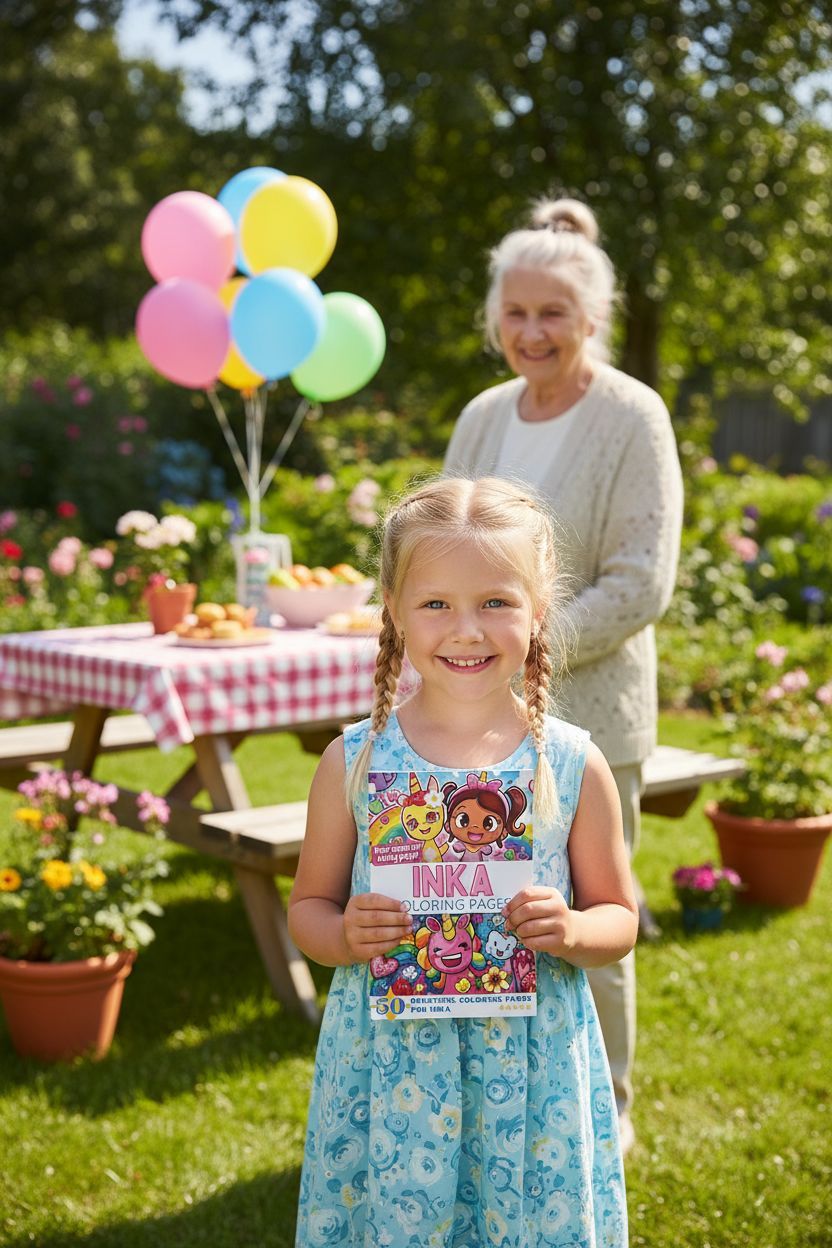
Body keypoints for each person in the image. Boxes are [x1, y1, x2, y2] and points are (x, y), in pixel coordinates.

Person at [289, 476, 638, 1248]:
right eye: (436, 603)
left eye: (496, 603)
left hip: (534, 1064)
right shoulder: (354, 760)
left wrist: (574, 929)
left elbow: (620, 918)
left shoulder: (574, 763)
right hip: (392, 1066)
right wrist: (344, 935)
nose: (466, 630)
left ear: (538, 606)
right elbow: (308, 908)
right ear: (392, 606)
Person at [443, 198, 684, 1153]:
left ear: (592, 316)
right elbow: (446, 543)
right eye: (516, 314)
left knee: (593, 912)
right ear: (495, 320)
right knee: (486, 900)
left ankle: (609, 1107)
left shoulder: (632, 416)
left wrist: (525, 646)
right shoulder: (482, 415)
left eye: (553, 314)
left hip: (589, 715)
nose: (532, 333)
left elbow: (641, 581)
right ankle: (500, 1100)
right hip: (473, 714)